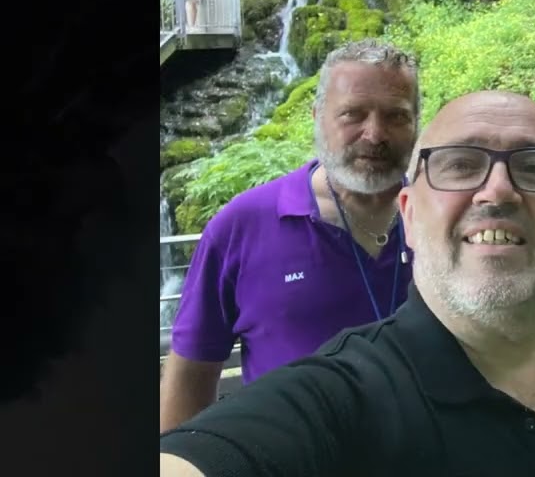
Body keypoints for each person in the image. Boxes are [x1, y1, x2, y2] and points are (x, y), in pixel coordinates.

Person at [159, 90, 535, 477]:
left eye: (534, 167)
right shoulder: (346, 397)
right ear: (410, 216)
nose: (498, 190)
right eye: (460, 165)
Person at [159, 39, 420, 432]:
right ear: (317, 117)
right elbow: (190, 380)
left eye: (396, 116)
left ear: (418, 121)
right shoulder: (241, 225)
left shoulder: (451, 219)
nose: (374, 133)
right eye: (352, 114)